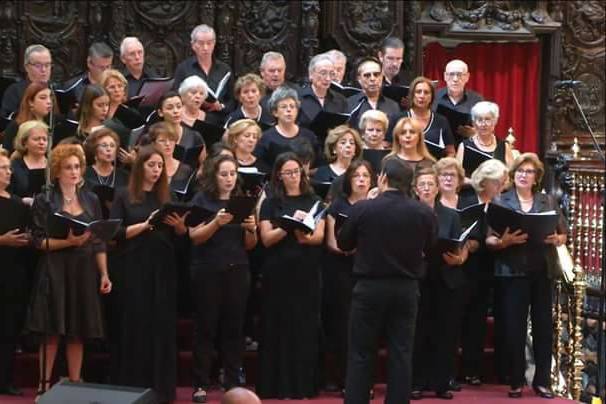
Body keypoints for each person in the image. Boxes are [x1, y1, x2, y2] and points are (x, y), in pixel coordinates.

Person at [337, 157, 437, 404]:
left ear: (382, 179)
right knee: (401, 353)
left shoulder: (363, 208)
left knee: (361, 352)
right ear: (410, 183)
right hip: (406, 288)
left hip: (369, 287)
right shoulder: (424, 211)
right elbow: (431, 247)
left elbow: (344, 242)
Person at [25, 144, 111, 399]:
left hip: (84, 269)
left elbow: (98, 240)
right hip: (55, 267)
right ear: (57, 172)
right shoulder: (46, 200)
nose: (74, 172)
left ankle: (75, 385)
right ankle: (43, 385)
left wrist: (104, 273)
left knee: (78, 331)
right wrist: (69, 243)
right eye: (68, 168)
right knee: (52, 330)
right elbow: (38, 242)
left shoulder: (91, 199)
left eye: (77, 167)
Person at [109, 146, 187, 402]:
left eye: (159, 166)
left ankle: (160, 388)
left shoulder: (168, 196)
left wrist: (179, 228)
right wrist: (145, 225)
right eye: (151, 165)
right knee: (134, 322)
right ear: (140, 166)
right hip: (132, 266)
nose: (156, 170)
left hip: (162, 267)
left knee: (160, 325)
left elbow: (180, 241)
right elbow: (115, 234)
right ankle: (132, 386)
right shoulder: (124, 195)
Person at [486, 153, 566, 399]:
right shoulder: (501, 200)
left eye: (529, 171)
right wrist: (503, 242)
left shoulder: (548, 201)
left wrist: (557, 239)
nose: (523, 175)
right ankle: (516, 380)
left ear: (536, 177)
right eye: (520, 171)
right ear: (513, 174)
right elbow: (489, 238)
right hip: (512, 271)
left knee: (543, 327)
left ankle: (542, 382)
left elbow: (563, 233)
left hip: (542, 270)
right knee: (514, 327)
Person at [189, 155, 258, 403]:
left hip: (237, 268)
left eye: (232, 174)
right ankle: (201, 383)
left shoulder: (242, 202)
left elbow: (250, 245)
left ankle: (231, 382)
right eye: (224, 174)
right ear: (214, 176)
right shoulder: (201, 200)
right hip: (208, 270)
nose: (229, 179)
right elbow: (195, 237)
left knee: (234, 327)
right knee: (206, 327)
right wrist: (216, 223)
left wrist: (251, 229)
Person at [257, 153, 325, 399]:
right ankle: (276, 385)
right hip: (278, 272)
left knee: (304, 327)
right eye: (288, 172)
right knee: (278, 325)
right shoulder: (271, 202)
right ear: (278, 175)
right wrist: (287, 225)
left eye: (296, 171)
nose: (293, 176)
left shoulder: (313, 199)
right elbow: (266, 238)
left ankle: (302, 385)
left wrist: (302, 233)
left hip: (306, 271)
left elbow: (318, 237)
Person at [411, 164, 468, 400]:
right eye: (422, 185)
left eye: (430, 185)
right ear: (415, 189)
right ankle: (416, 382)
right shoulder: (409, 212)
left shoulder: (451, 214)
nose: (426, 189)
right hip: (418, 278)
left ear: (437, 188)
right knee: (419, 332)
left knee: (445, 333)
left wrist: (460, 257)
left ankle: (441, 383)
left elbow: (460, 244)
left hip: (446, 277)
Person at [323, 160, 373, 394]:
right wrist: (355, 247)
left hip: (369, 272)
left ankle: (364, 381)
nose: (362, 179)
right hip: (341, 270)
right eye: (357, 176)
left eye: (366, 176)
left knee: (366, 329)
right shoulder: (338, 205)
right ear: (349, 180)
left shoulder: (377, 205)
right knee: (342, 325)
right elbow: (333, 243)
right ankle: (341, 377)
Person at [459, 159, 509, 386]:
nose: (501, 187)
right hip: (464, 267)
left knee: (478, 323)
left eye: (502, 182)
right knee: (460, 319)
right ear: (484, 182)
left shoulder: (502, 205)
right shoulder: (466, 201)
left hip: (491, 269)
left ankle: (473, 370)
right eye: (497, 182)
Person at [0, 148, 31, 397]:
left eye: (9, 168)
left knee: (9, 328)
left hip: (13, 273)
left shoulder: (16, 203)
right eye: (3, 168)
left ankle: (5, 379)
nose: (8, 172)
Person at [173, 24, 233, 114]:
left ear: (214, 44)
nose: (205, 48)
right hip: (192, 119)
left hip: (220, 119)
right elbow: (176, 96)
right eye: (201, 43)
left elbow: (232, 100)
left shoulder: (224, 69)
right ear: (193, 45)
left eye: (209, 43)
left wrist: (221, 106)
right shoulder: (184, 68)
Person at [253, 86, 318, 169]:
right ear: (275, 112)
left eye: (292, 106)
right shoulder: (266, 138)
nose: (289, 110)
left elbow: (318, 164)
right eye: (284, 107)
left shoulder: (309, 136)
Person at [398, 76, 455, 159]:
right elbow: (388, 147)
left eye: (426, 92)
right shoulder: (399, 118)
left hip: (433, 169)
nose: (422, 96)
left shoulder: (441, 120)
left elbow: (451, 152)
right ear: (412, 95)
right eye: (418, 92)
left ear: (432, 97)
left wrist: (442, 167)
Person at [456, 101, 514, 180]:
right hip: (470, 190)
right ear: (474, 123)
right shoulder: (464, 146)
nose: (484, 124)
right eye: (480, 120)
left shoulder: (504, 146)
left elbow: (511, 177)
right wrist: (478, 183)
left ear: (494, 121)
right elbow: (458, 178)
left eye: (487, 119)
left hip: (497, 191)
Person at [433, 59, 484, 142]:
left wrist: (475, 133)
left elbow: (486, 129)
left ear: (467, 77)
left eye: (460, 75)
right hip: (437, 148)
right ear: (445, 76)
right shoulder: (433, 97)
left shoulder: (477, 100)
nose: (455, 79)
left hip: (466, 149)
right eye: (451, 74)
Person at [82, 127, 129, 215]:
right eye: (104, 145)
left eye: (112, 146)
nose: (109, 149)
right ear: (94, 149)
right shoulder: (84, 173)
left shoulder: (125, 176)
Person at [347, 57, 401, 132]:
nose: (372, 79)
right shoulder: (349, 104)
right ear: (359, 79)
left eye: (376, 74)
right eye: (367, 75)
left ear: (382, 77)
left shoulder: (393, 106)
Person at [297, 53, 348, 128]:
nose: (328, 78)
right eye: (323, 73)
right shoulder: (298, 97)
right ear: (311, 74)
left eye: (331, 74)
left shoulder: (340, 100)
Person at [1, 44, 52, 118]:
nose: (44, 70)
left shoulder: (54, 89)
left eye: (47, 65)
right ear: (27, 67)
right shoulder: (15, 91)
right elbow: (6, 119)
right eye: (38, 65)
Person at [2, 82, 53, 154]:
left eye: (50, 97)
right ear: (30, 102)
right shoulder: (16, 126)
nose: (49, 101)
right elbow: (6, 154)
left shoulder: (55, 123)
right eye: (43, 98)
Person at [147, 121, 194, 196]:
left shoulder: (186, 170)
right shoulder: (147, 167)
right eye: (162, 141)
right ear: (153, 143)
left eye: (171, 140)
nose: (168, 144)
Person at [8, 121, 49, 205]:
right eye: (36, 139)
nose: (42, 143)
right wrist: (21, 201)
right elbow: (6, 194)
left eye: (44, 139)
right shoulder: (14, 166)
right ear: (24, 143)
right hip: (20, 212)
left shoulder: (54, 165)